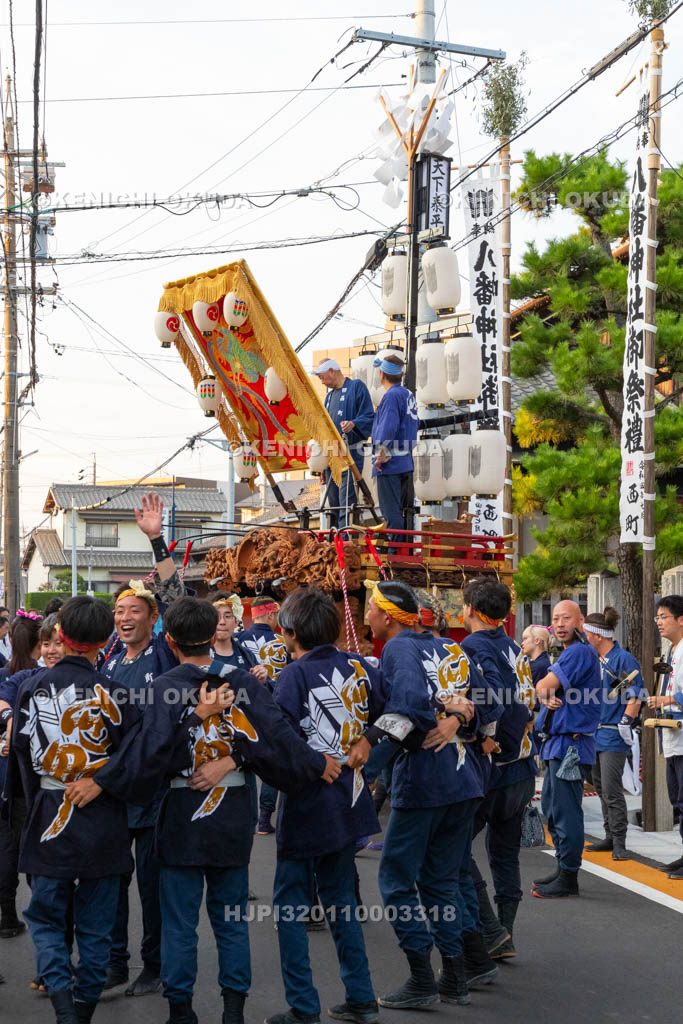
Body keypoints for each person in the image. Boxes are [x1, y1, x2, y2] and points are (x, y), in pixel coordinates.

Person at [119, 595, 340, 1024]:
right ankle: (233, 1012)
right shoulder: (243, 681)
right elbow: (277, 737)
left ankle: (181, 1011)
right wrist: (315, 764)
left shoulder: (164, 687)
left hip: (180, 810)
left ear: (170, 639)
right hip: (234, 812)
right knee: (231, 919)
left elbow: (149, 756)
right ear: (216, 633)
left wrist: (195, 721)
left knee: (180, 922)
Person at [4, 595, 141, 1024]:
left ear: (60, 636)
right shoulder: (117, 692)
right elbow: (136, 758)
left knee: (44, 917)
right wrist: (104, 783)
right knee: (97, 925)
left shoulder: (31, 686)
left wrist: (29, 810)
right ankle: (81, 1013)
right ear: (105, 640)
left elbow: (23, 758)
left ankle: (63, 1004)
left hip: (48, 811)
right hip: (104, 817)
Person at [365, 580, 501, 1010]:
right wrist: (457, 716)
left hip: (425, 781)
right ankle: (456, 978)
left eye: (371, 607)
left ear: (387, 616)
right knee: (442, 881)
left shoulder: (398, 649)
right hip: (465, 782)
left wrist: (364, 755)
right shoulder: (452, 647)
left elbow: (405, 706)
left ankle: (422, 977)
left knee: (395, 880)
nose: (367, 614)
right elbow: (493, 703)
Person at [268, 586, 385, 1024]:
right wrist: (368, 741)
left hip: (307, 802)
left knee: (290, 907)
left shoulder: (293, 676)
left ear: (291, 630)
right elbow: (396, 710)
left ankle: (303, 1007)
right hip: (350, 799)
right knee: (341, 901)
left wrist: (315, 762)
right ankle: (361, 997)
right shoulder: (359, 666)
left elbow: (278, 736)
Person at [99, 492, 188, 996]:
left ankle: (153, 967)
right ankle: (114, 962)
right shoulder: (110, 661)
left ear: (152, 618)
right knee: (113, 883)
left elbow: (178, 599)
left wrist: (156, 538)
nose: (123, 617)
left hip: (155, 791)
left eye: (132, 610)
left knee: (152, 886)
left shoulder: (161, 651)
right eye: (118, 612)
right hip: (115, 789)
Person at [460, 578, 537, 960]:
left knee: (453, 846)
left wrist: (488, 741)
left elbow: (495, 702)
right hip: (522, 769)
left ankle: (490, 930)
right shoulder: (513, 645)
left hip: (494, 768)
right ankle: (504, 932)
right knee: (504, 855)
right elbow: (525, 700)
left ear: (470, 610)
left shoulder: (473, 646)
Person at [0, 613, 64, 944]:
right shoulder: (26, 677)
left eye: (58, 642)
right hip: (28, 793)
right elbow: (3, 696)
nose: (51, 650)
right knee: (39, 874)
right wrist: (10, 716)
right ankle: (49, 960)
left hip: (72, 794)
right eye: (46, 643)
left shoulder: (91, 682)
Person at [532, 600, 601, 898]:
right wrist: (547, 696)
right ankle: (563, 868)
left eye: (566, 618)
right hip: (560, 743)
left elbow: (542, 685)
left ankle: (569, 877)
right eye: (555, 619)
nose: (559, 624)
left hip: (571, 744)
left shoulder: (578, 652)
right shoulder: (574, 652)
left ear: (580, 621)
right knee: (552, 808)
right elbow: (545, 690)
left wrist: (545, 693)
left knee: (565, 813)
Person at [583, 607, 645, 861]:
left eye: (588, 633)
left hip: (613, 733)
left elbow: (636, 695)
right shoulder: (596, 660)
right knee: (599, 787)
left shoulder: (622, 660)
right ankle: (609, 835)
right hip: (593, 734)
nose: (585, 637)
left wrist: (625, 721)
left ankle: (620, 840)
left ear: (598, 635)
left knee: (611, 788)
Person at [237, 593, 289, 835]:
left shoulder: (237, 641)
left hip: (242, 707)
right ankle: (265, 817)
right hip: (272, 706)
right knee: (272, 759)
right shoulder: (282, 642)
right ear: (270, 614)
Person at [311, 358, 374, 529]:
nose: (321, 381)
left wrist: (354, 423)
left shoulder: (356, 387)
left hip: (350, 455)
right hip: (332, 459)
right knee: (334, 504)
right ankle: (336, 539)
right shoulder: (329, 397)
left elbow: (369, 416)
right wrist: (323, 465)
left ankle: (345, 540)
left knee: (347, 501)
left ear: (332, 370)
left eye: (322, 376)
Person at [647, 595, 683, 878]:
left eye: (664, 617)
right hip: (673, 738)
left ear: (680, 619)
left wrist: (664, 699)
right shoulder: (673, 650)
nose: (659, 622)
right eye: (657, 617)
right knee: (678, 802)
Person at [371, 354, 418, 543]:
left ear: (382, 374)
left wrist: (381, 453)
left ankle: (394, 555)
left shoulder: (391, 396)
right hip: (406, 461)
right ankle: (404, 552)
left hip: (390, 463)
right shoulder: (408, 394)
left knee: (392, 514)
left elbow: (388, 426)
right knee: (406, 513)